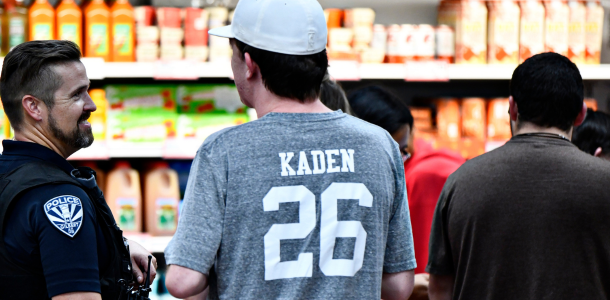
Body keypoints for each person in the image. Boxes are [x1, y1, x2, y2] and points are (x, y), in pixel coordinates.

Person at [164, 0, 416, 299]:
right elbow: (398, 286)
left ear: (248, 64)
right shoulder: (380, 145)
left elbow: (183, 281)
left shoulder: (223, 152)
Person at [0, 40, 155, 300]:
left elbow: (21, 257)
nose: (91, 105)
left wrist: (113, 248)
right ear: (34, 107)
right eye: (77, 94)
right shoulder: (59, 198)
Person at [427, 53, 610, 300]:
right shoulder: (604, 181)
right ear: (581, 114)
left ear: (512, 108)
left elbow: (440, 288)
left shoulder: (461, 181)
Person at [346, 85, 465, 275]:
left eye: (403, 150)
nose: (398, 160)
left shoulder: (427, 175)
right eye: (392, 152)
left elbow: (422, 276)